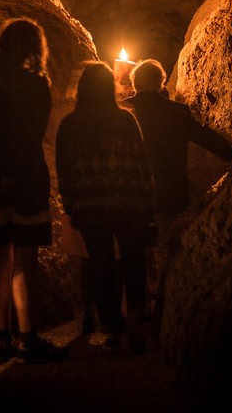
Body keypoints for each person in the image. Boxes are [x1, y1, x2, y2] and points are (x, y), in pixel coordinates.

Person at [0, 17, 69, 363]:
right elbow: (29, 136)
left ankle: (1, 339)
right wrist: (12, 175)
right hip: (26, 182)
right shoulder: (36, 86)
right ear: (35, 49)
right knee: (24, 261)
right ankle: (28, 338)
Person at [123, 58, 232, 322]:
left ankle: (137, 310)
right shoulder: (176, 113)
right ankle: (162, 307)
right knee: (165, 250)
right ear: (161, 82)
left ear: (135, 83)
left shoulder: (124, 112)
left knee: (135, 252)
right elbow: (204, 137)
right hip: (170, 193)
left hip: (133, 196)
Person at [55, 61, 154, 352]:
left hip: (89, 204)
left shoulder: (70, 125)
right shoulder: (125, 120)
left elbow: (63, 168)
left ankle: (110, 326)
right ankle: (135, 317)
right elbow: (143, 164)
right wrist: (148, 202)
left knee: (100, 262)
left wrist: (70, 204)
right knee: (134, 257)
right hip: (127, 200)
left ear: (82, 89)